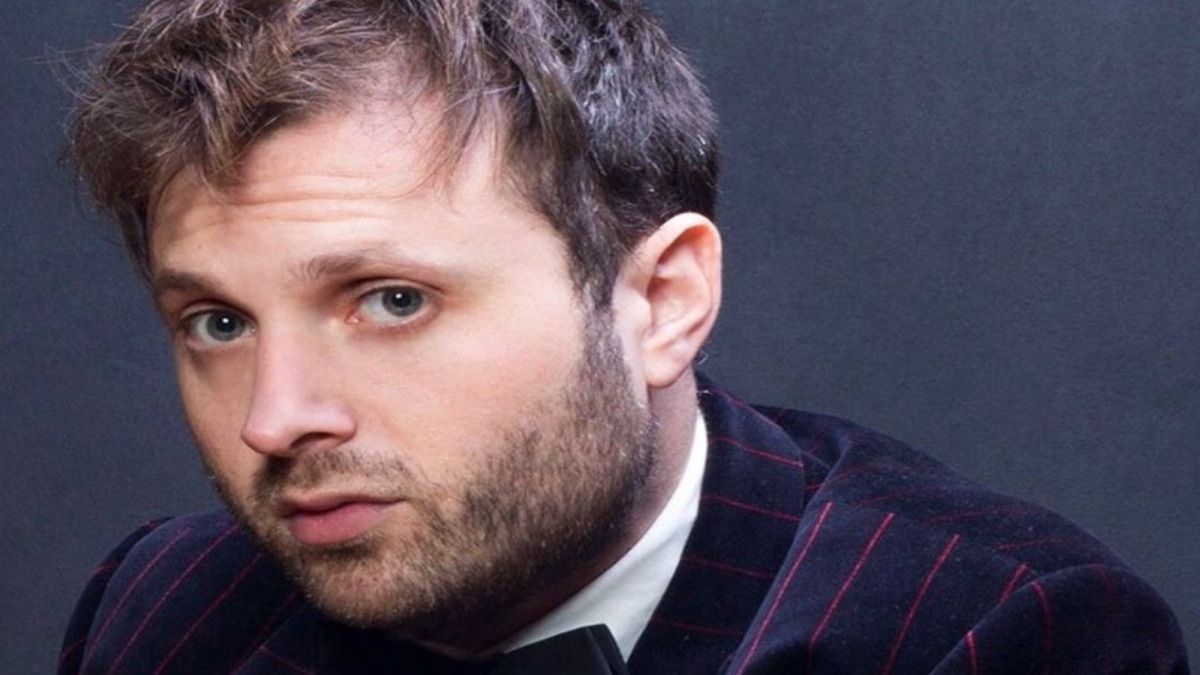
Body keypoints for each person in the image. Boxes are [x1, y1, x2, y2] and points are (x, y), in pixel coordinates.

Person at [59, 1, 1189, 673]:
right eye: (217, 322)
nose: (275, 417)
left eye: (393, 300)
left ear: (662, 301)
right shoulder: (162, 610)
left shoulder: (992, 632)